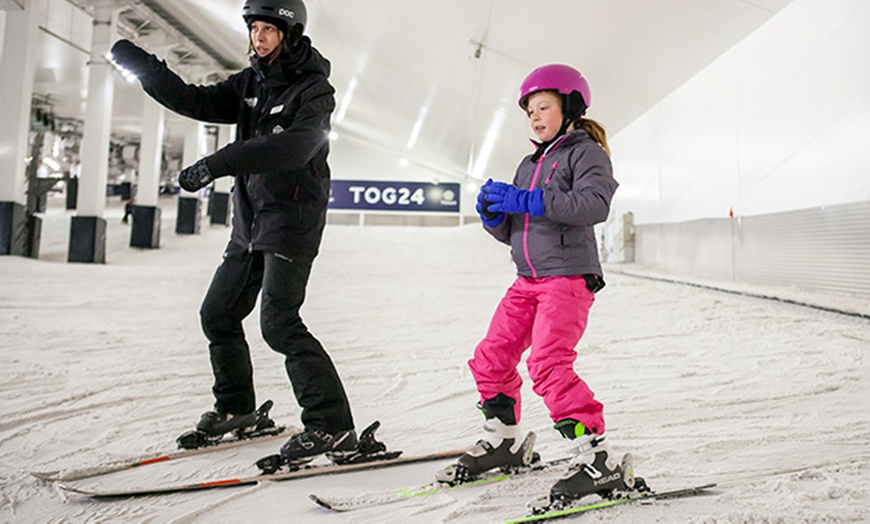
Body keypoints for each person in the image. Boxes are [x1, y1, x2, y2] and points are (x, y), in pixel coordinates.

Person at [108, 0, 358, 464]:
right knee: (218, 314)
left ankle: (331, 426)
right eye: (254, 29)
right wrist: (143, 66)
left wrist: (216, 163)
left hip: (290, 222)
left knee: (279, 325)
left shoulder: (314, 90)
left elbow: (294, 148)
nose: (258, 38)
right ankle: (237, 409)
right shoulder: (250, 84)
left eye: (268, 29)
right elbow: (194, 100)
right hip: (249, 224)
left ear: (290, 33)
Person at [439, 64, 622, 504]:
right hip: (526, 280)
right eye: (529, 111)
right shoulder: (529, 163)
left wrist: (530, 199)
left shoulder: (586, 153)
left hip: (567, 278)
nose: (535, 117)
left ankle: (599, 461)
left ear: (571, 107)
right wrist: (496, 218)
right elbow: (518, 228)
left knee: (548, 364)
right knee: (491, 357)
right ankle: (504, 442)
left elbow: (594, 204)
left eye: (544, 107)